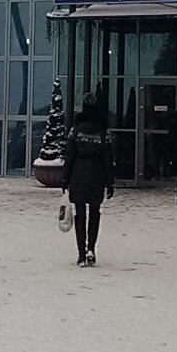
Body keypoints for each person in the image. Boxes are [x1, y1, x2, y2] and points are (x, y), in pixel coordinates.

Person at [61, 106, 115, 266]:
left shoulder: (75, 132)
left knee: (80, 213)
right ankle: (91, 248)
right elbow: (108, 159)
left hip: (78, 174)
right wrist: (110, 182)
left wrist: (65, 179)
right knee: (95, 212)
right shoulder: (103, 133)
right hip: (97, 175)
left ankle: (81, 253)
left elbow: (69, 156)